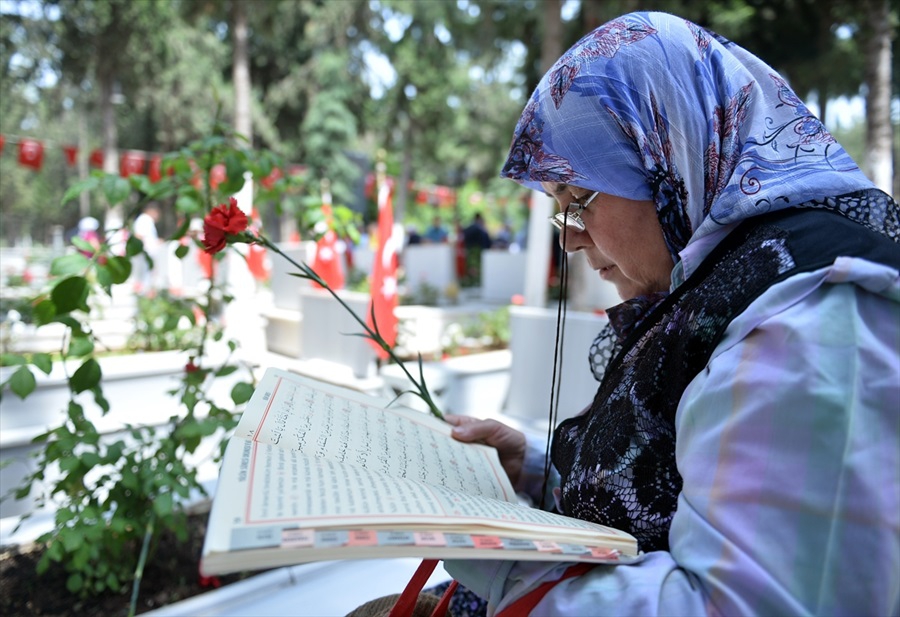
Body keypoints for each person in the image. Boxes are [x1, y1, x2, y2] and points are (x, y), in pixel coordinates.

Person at [433, 11, 899, 617]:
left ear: (665, 153)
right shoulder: (727, 279)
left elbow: (739, 603)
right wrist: (536, 468)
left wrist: (501, 559)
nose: (570, 240)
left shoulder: (816, 316)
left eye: (579, 200)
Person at [133, 203, 161, 293]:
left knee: (149, 274)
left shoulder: (147, 220)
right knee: (145, 274)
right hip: (146, 252)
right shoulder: (144, 220)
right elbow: (139, 235)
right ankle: (145, 293)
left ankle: (146, 292)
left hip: (149, 252)